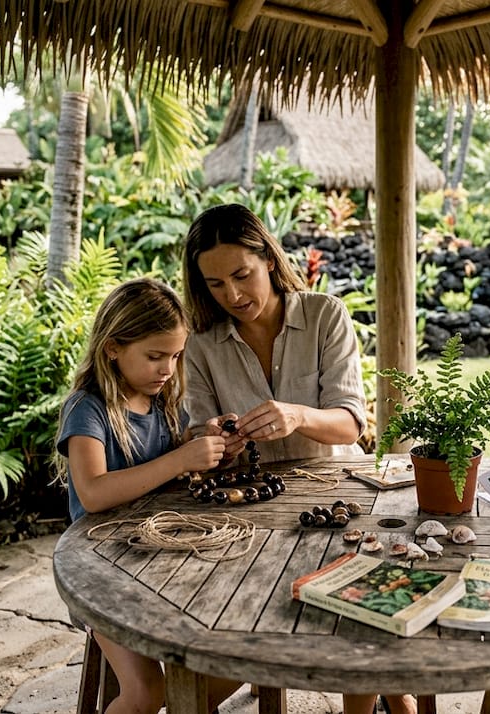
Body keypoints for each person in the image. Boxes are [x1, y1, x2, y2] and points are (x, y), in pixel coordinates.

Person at [180, 203, 413, 714]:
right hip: (256, 507)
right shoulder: (201, 343)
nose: (232, 295)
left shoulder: (324, 314)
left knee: (355, 617)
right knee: (235, 612)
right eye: (215, 284)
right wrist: (218, 441)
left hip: (340, 492)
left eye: (242, 275)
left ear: (268, 259)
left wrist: (297, 415)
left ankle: (380, 697)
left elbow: (351, 424)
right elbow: (201, 436)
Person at [55, 277, 237, 714]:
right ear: (113, 348)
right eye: (155, 356)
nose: (168, 369)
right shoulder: (88, 409)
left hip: (161, 556)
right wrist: (179, 459)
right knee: (145, 693)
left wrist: (208, 446)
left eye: (175, 356)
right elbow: (93, 492)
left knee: (242, 652)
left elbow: (175, 469)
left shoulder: (164, 404)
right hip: (101, 569)